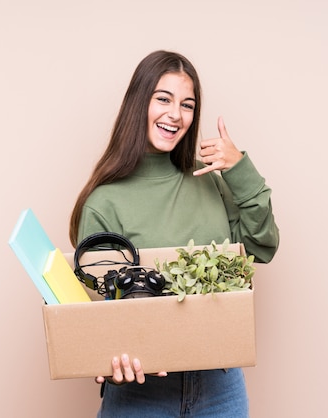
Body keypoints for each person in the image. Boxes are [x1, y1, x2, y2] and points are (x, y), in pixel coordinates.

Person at [69, 50, 279, 418]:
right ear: (139, 104)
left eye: (187, 104)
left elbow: (263, 247)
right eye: (163, 99)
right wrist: (114, 370)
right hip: (141, 395)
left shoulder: (210, 181)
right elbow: (97, 321)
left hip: (221, 386)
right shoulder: (105, 203)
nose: (175, 114)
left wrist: (241, 170)